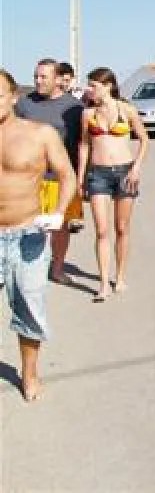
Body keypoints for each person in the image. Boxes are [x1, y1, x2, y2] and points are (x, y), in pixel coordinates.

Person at [0, 68, 77, 402]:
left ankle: (29, 374)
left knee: (28, 308)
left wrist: (59, 212)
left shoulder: (40, 134)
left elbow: (67, 175)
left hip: (26, 236)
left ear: (13, 96)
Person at [78, 67, 150, 302]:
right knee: (101, 230)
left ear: (108, 86)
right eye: (89, 86)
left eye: (94, 86)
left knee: (122, 228)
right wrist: (81, 178)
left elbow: (143, 138)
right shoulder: (88, 114)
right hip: (98, 174)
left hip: (125, 173)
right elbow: (85, 146)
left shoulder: (126, 110)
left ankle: (119, 277)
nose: (90, 90)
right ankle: (102, 283)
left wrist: (137, 167)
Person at [15, 58, 85, 283]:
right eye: (36, 76)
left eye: (43, 77)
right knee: (24, 225)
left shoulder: (74, 107)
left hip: (59, 178)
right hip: (28, 178)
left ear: (57, 79)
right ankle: (22, 270)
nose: (38, 81)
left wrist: (82, 179)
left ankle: (56, 269)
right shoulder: (25, 104)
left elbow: (81, 145)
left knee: (60, 227)